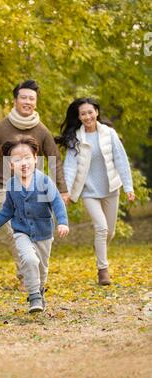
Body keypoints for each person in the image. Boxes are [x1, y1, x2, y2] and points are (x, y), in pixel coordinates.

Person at [0, 80, 69, 284]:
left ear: (36, 102)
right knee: (11, 229)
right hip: (6, 185)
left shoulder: (42, 130)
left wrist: (63, 189)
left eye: (31, 98)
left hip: (35, 187)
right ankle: (26, 271)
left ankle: (32, 270)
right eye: (23, 97)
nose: (27, 101)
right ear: (15, 101)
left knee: (34, 228)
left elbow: (55, 160)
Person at [0, 135, 69, 313]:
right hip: (21, 231)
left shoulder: (44, 181)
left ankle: (40, 290)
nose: (23, 162)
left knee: (42, 267)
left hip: (43, 232)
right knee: (29, 259)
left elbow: (57, 202)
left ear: (35, 159)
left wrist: (63, 222)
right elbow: (7, 211)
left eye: (27, 158)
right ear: (11, 164)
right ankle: (34, 295)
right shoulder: (11, 185)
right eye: (17, 159)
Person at [56, 98, 135, 285]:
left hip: (110, 189)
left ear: (96, 112)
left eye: (90, 112)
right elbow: (70, 167)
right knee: (101, 228)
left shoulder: (109, 133)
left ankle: (99, 248)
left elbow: (121, 160)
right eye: (83, 114)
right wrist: (65, 191)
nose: (87, 116)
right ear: (79, 117)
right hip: (89, 191)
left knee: (110, 232)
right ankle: (103, 270)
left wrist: (129, 187)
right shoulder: (76, 138)